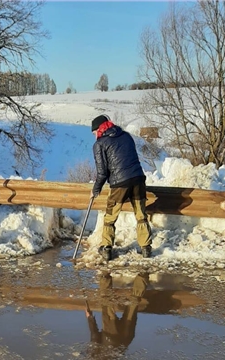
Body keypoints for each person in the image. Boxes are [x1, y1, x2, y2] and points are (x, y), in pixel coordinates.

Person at [90, 114, 152, 260]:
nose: (94, 136)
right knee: (141, 214)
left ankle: (106, 248)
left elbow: (102, 173)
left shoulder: (99, 144)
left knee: (110, 216)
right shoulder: (126, 136)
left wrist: (95, 190)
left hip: (120, 184)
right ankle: (146, 248)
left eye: (94, 133)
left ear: (99, 129)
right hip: (138, 179)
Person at [85, 272, 149, 358]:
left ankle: (142, 276)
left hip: (126, 338)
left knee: (133, 304)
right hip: (110, 335)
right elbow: (95, 337)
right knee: (106, 303)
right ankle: (105, 276)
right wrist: (90, 317)